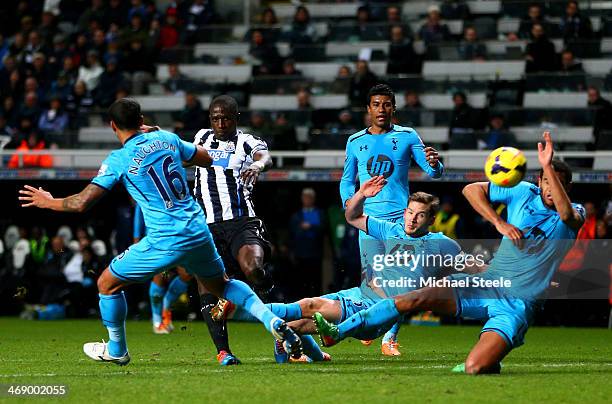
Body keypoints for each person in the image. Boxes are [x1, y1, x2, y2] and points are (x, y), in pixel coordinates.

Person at [18, 98, 302, 366]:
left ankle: (117, 350)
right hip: (199, 229)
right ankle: (270, 320)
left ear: (113, 126)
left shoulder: (119, 159)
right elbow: (204, 157)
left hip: (166, 238)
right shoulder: (165, 138)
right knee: (223, 285)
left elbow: (81, 203)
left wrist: (49, 202)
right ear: (142, 120)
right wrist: (162, 138)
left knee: (106, 284)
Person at [316, 132, 585, 374]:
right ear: (539, 182)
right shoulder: (524, 192)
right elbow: (471, 189)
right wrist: (498, 221)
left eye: (558, 184)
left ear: (567, 188)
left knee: (474, 367)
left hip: (519, 300)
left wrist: (548, 164)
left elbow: (565, 214)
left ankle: (489, 360)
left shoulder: (575, 214)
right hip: (488, 283)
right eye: (547, 181)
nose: (551, 188)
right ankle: (337, 333)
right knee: (412, 298)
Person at [340, 84, 443, 356]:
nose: (381, 109)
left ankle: (390, 339)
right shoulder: (355, 142)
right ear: (368, 109)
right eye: (376, 104)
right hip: (368, 222)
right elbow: (346, 180)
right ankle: (372, 324)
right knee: (372, 283)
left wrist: (435, 163)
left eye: (386, 104)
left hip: (400, 222)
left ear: (393, 108)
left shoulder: (408, 136)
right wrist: (349, 206)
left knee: (403, 282)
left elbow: (433, 172)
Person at [188, 95, 279, 366]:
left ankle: (279, 333)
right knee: (206, 286)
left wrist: (257, 165)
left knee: (254, 269)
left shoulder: (247, 141)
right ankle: (223, 351)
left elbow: (265, 157)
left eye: (226, 117)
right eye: (215, 118)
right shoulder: (201, 138)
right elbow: (183, 156)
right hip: (206, 227)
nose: (220, 123)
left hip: (241, 221)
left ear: (235, 118)